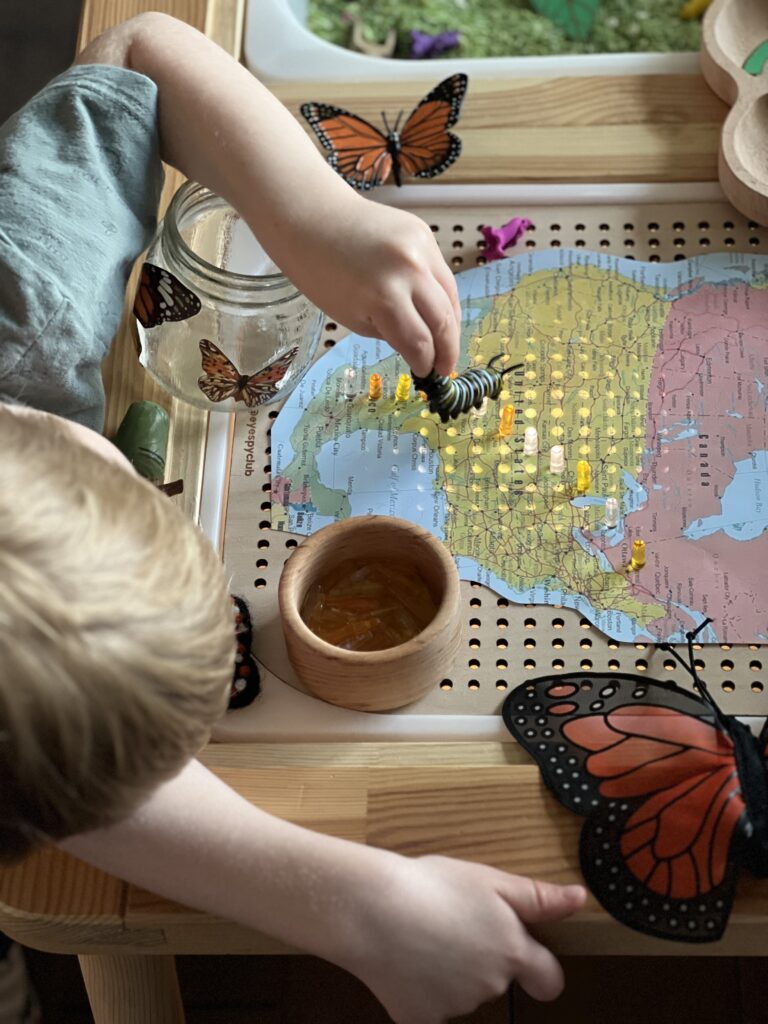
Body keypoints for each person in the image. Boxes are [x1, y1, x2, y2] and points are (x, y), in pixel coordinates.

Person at [0, 13, 586, 1023]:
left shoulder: (26, 308)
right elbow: (52, 776)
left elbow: (140, 50)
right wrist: (340, 900)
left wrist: (316, 214)